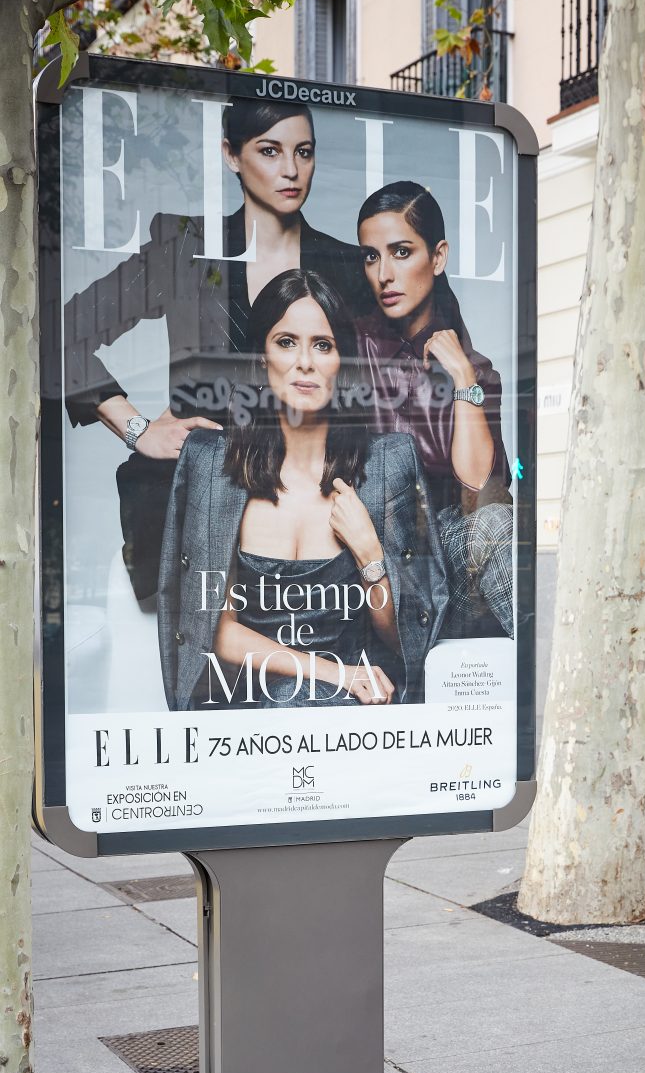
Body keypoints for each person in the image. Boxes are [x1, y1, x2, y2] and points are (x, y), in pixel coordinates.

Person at [64, 97, 364, 603]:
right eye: (270, 151)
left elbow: (377, 381)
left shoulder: (345, 265)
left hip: (309, 512)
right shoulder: (184, 249)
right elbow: (64, 332)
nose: (291, 170)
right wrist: (136, 428)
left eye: (304, 152)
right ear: (231, 154)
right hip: (190, 501)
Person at [158, 270, 448, 711]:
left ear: (342, 363)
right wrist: (337, 674)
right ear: (261, 357)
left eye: (323, 345)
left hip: (348, 716)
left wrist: (371, 556)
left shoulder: (386, 466)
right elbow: (212, 628)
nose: (305, 362)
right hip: (249, 709)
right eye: (286, 342)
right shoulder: (214, 466)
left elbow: (403, 637)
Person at [356, 181, 514, 638]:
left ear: (438, 257)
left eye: (401, 252)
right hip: (371, 563)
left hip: (440, 570)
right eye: (372, 256)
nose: (384, 273)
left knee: (498, 523)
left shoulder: (476, 371)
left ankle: (537, 686)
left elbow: (479, 498)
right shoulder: (351, 348)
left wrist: (464, 381)